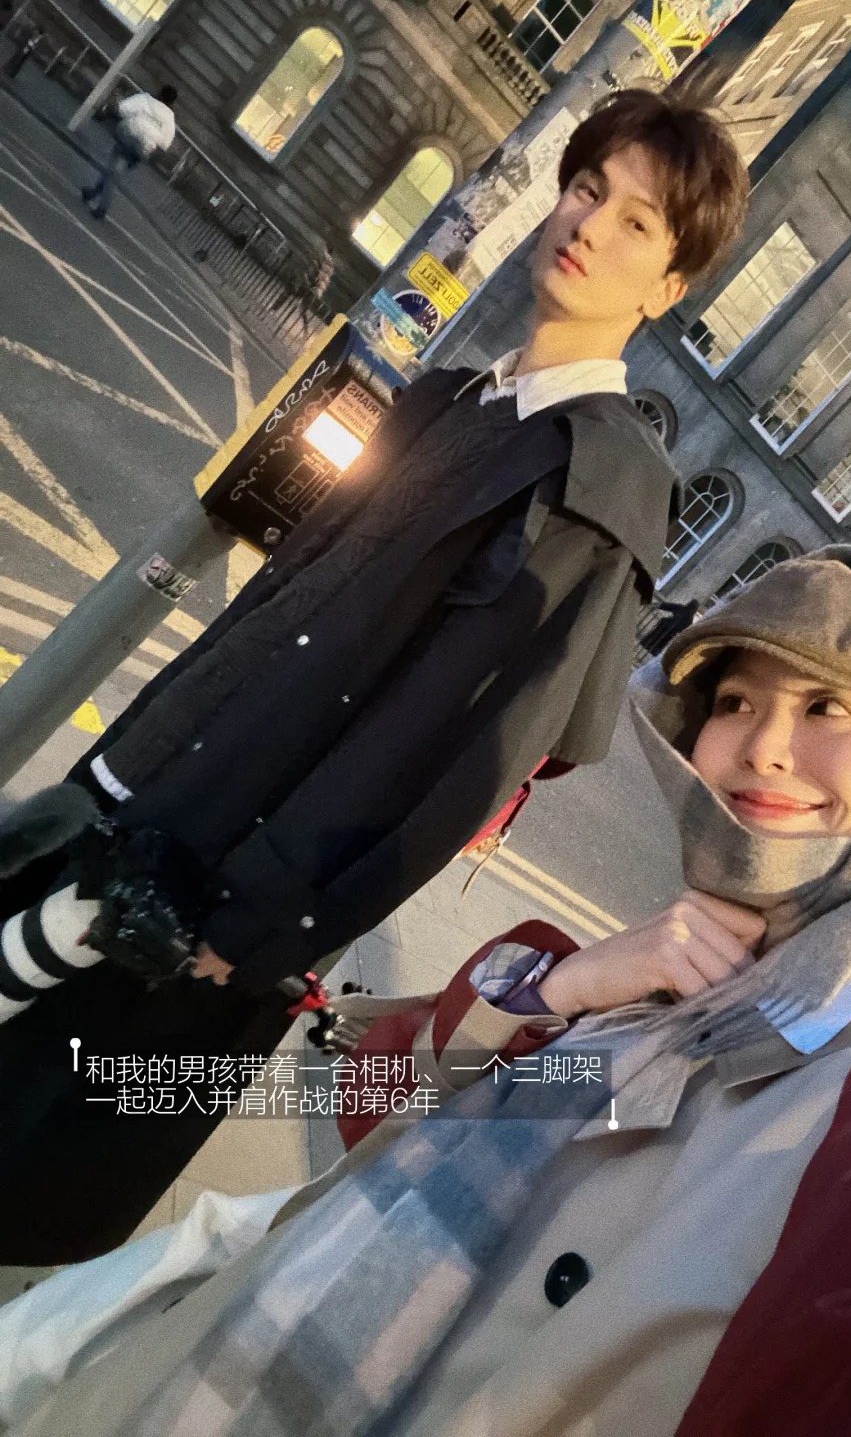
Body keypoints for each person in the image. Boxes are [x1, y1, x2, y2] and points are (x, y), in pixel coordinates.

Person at [5, 546, 851, 1437]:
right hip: (168, 1358)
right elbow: (383, 1102)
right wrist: (563, 985)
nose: (762, 749)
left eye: (829, 708)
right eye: (736, 700)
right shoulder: (675, 988)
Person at [0, 86, 750, 1263]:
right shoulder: (449, 398)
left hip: (217, 893)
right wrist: (126, 754)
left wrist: (260, 933)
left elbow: (458, 758)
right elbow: (285, 601)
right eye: (587, 188)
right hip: (146, 787)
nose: (589, 225)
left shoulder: (600, 489)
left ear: (667, 286)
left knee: (46, 1132)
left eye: (637, 223)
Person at [81, 85, 177, 219]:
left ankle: (103, 207)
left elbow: (123, 109)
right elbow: (165, 143)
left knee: (113, 172)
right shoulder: (169, 118)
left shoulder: (145, 99)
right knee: (114, 171)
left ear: (159, 93)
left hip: (128, 137)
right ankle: (92, 192)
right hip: (144, 150)